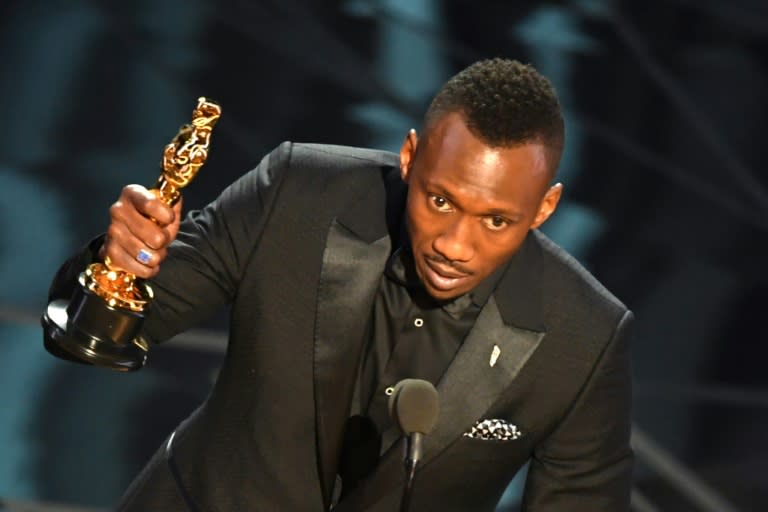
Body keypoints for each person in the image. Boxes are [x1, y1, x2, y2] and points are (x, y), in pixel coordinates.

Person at [46, 58, 634, 511]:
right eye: (440, 200)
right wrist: (122, 266)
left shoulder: (583, 336)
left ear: (544, 208)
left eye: (497, 221)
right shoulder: (297, 192)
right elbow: (104, 334)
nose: (456, 244)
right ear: (409, 157)